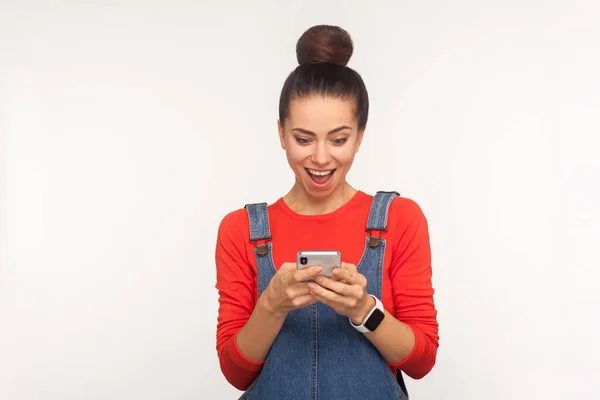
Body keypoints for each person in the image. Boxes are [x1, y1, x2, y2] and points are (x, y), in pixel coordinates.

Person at [214, 24, 439, 399]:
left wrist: (365, 311)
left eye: (338, 139)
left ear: (360, 135)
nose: (320, 158)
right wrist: (272, 304)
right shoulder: (241, 230)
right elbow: (236, 373)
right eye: (303, 139)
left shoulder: (400, 219)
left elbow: (422, 361)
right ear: (281, 134)